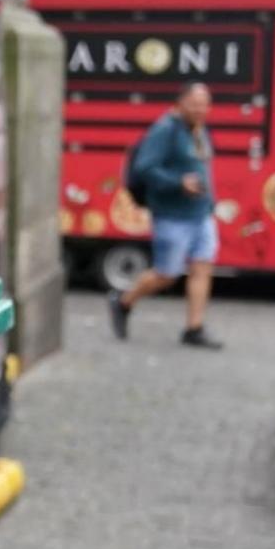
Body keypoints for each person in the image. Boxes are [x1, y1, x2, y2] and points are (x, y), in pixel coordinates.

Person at [108, 83, 221, 349]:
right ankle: (123, 301)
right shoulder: (165, 129)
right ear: (180, 102)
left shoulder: (198, 130)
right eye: (195, 103)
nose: (200, 109)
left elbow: (202, 167)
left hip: (201, 214)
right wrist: (178, 183)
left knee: (202, 267)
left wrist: (210, 201)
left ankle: (194, 329)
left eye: (205, 104)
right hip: (173, 215)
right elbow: (145, 168)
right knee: (167, 274)